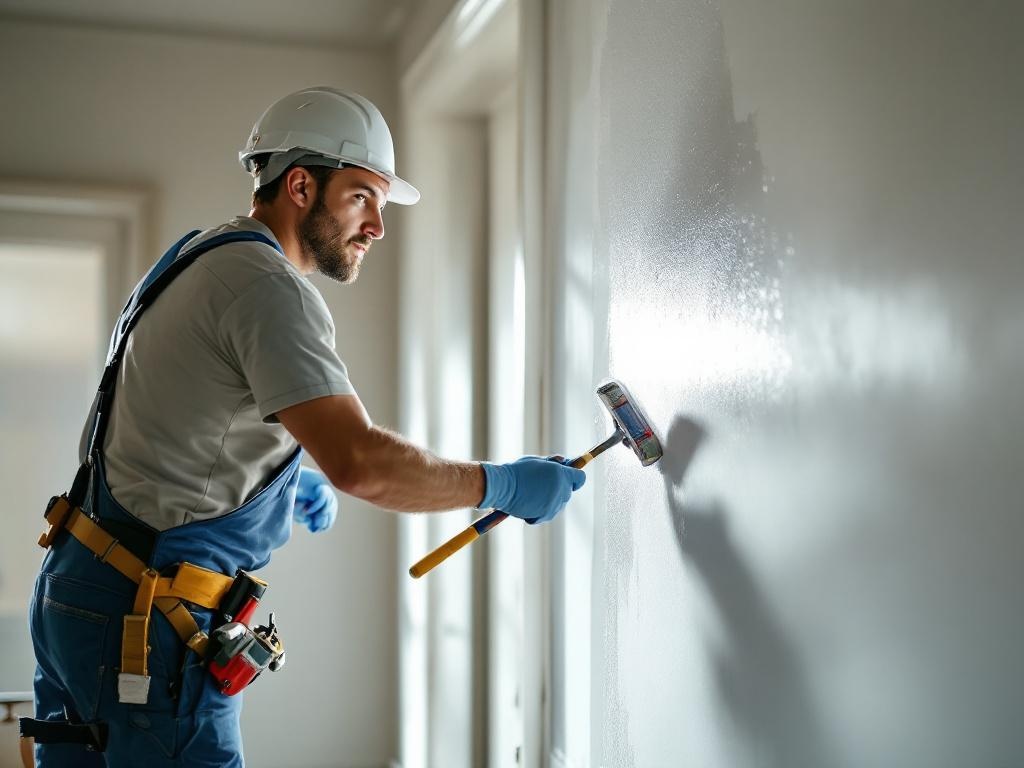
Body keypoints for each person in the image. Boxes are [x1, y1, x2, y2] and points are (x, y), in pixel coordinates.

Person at [23, 86, 586, 767]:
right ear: (299, 185)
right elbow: (361, 461)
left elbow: (177, 425)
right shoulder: (268, 286)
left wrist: (285, 481)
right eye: (362, 197)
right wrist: (502, 485)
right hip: (144, 618)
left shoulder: (198, 254)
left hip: (79, 587)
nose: (377, 226)